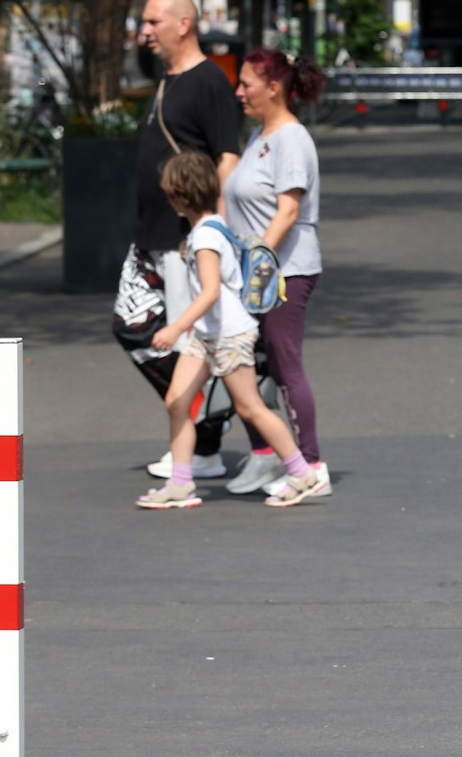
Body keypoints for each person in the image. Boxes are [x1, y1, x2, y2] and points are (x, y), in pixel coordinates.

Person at [137, 152, 326, 510]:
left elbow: (209, 292)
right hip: (207, 335)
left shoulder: (206, 237)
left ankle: (302, 474)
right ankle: (180, 483)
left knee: (250, 407)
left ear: (180, 196)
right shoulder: (208, 229)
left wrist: (175, 326)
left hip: (227, 335)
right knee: (177, 401)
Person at [114, 0, 243, 483]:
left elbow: (225, 157)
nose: (144, 31)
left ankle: (201, 439)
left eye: (152, 22)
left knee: (186, 341)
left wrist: (214, 229)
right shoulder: (167, 79)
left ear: (182, 24)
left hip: (182, 238)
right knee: (130, 325)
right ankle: (205, 414)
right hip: (150, 233)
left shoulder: (209, 81)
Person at [221, 48, 332, 500]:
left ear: (274, 87)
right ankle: (268, 453)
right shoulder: (260, 136)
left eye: (246, 83)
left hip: (285, 271)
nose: (239, 91)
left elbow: (288, 210)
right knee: (249, 367)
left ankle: (311, 464)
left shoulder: (291, 139)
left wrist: (260, 261)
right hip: (254, 274)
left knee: (285, 366)